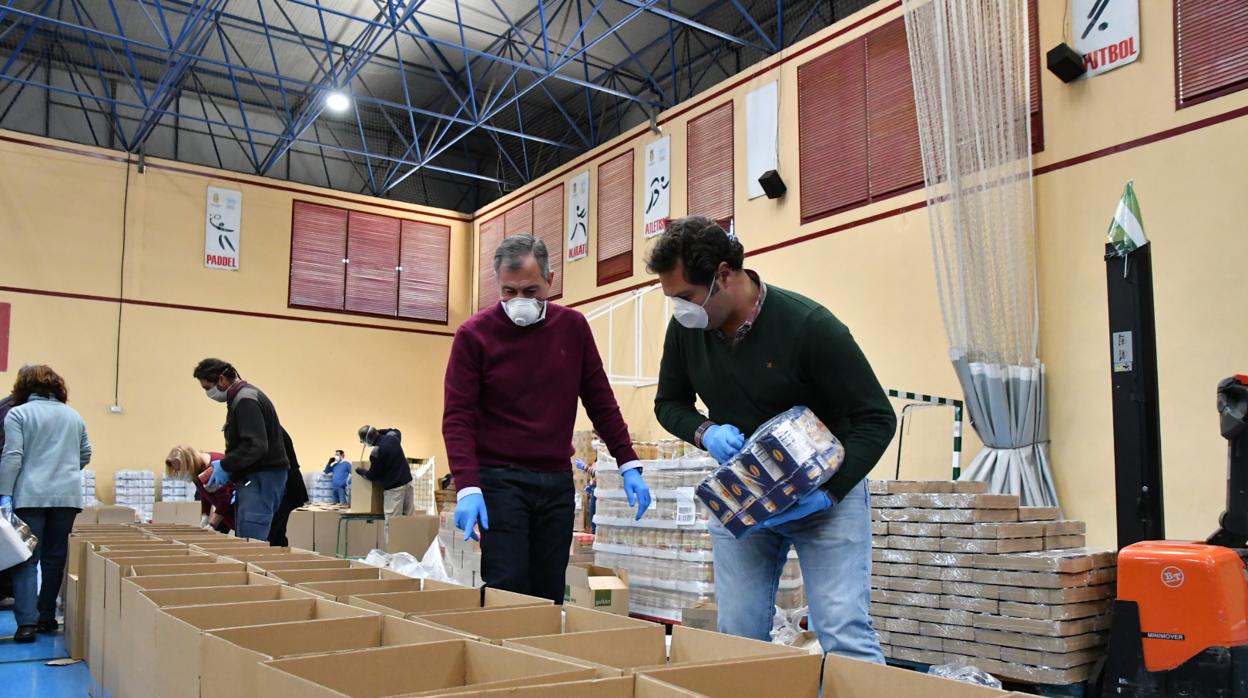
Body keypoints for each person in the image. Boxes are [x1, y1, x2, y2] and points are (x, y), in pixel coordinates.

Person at [647, 217, 897, 661]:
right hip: (743, 494)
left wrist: (829, 495)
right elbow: (669, 403)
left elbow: (876, 419)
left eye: (685, 296)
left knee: (842, 629)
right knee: (738, 632)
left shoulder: (811, 327)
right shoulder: (687, 331)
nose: (680, 310)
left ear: (724, 274)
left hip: (824, 497)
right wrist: (706, 432)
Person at [443, 233, 652, 603]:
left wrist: (628, 461)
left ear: (551, 281)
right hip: (500, 480)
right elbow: (458, 416)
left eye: (531, 291)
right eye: (509, 291)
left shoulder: (572, 328)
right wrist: (468, 485)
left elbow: (599, 399)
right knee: (507, 589)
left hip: (555, 482)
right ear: (498, 283)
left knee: (549, 590)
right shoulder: (473, 335)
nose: (519, 301)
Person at [0, 365, 92, 643]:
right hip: (67, 498)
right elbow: (86, 453)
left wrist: (5, 493)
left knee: (27, 558)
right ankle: (47, 617)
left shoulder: (18, 414)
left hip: (30, 496)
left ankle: (26, 624)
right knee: (55, 558)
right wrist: (63, 470)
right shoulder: (74, 416)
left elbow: (12, 456)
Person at [192, 358, 289, 541]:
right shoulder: (241, 397)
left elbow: (255, 445)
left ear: (222, 380)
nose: (208, 394)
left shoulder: (245, 400)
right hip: (255, 479)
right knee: (245, 536)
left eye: (207, 388)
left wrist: (226, 465)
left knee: (251, 543)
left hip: (261, 479)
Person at [164, 445, 234, 533]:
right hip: (228, 515)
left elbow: (225, 500)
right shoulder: (197, 470)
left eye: (180, 469)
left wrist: (212, 524)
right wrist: (205, 515)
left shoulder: (212, 468)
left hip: (240, 512)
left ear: (189, 462)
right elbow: (204, 493)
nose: (179, 473)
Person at [356, 425, 414, 529]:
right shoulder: (393, 438)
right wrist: (377, 431)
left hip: (394, 490)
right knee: (410, 521)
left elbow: (372, 475)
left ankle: (394, 546)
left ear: (367, 440)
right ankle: (410, 544)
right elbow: (395, 430)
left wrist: (361, 471)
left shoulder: (376, 452)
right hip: (408, 483)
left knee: (392, 525)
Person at [267, 428, 309, 547]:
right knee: (277, 532)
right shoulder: (273, 429)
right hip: (287, 485)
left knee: (272, 532)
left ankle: (277, 560)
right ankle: (279, 558)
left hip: (288, 487)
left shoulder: (272, 431)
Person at [0, 391, 15, 610]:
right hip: (7, 482)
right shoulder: (14, 411)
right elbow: (11, 453)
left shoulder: (5, 406)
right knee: (8, 540)